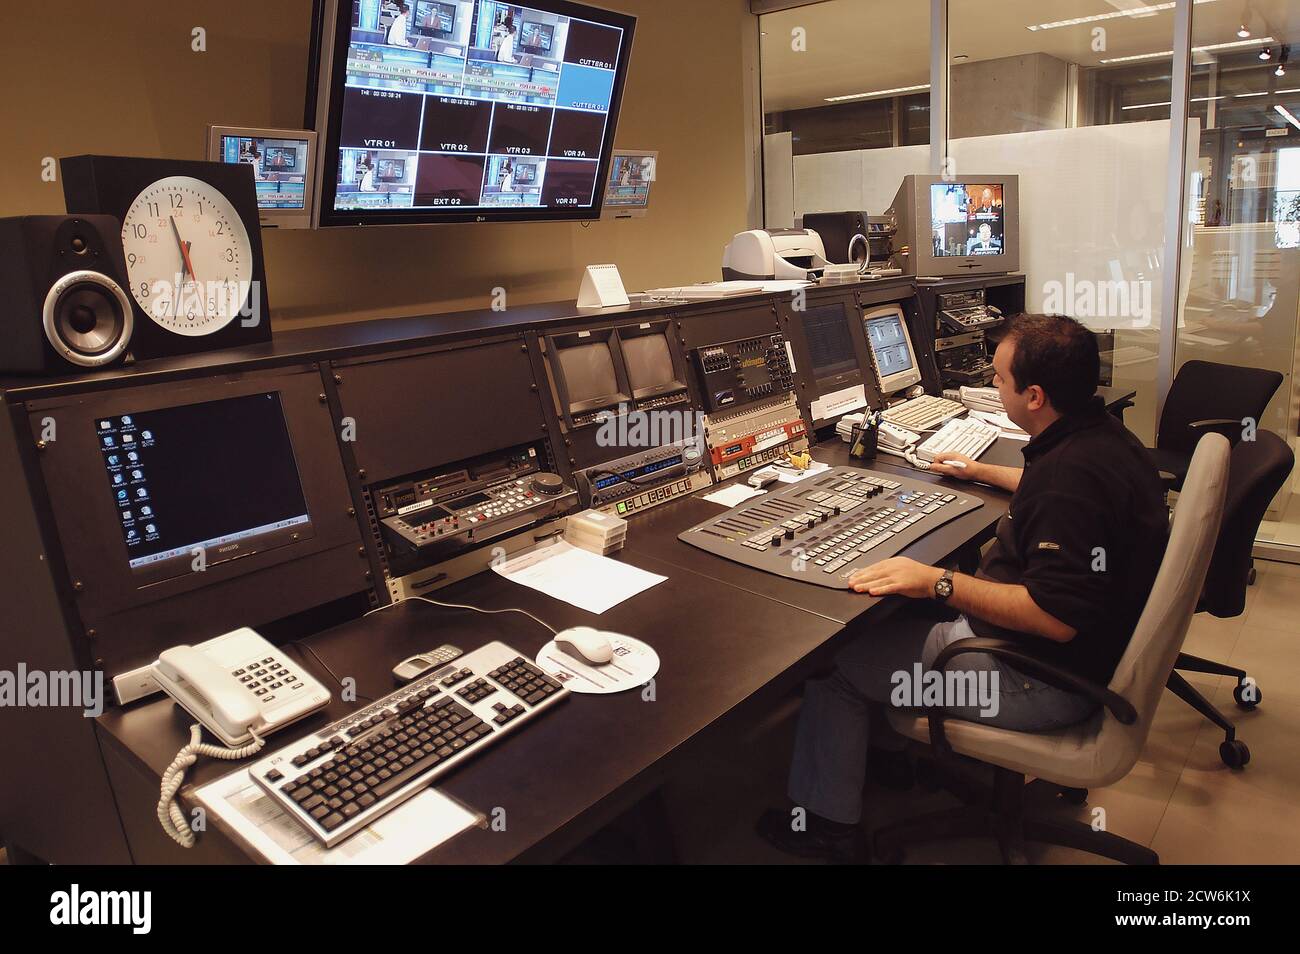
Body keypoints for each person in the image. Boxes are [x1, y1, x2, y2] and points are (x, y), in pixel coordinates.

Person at [756, 313, 1168, 862]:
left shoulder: (1070, 482)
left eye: (999, 379)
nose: (994, 387)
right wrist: (984, 472)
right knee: (896, 619)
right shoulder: (1099, 439)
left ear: (1036, 396)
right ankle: (890, 761)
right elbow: (1053, 490)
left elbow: (1052, 616)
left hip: (1042, 680)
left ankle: (830, 827)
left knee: (838, 664)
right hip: (1085, 660)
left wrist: (938, 582)